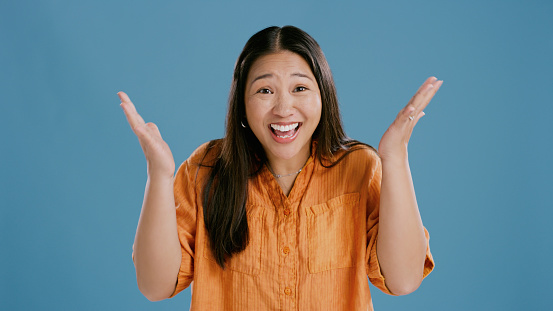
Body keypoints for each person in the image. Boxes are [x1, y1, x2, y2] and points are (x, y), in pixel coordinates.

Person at [119, 25, 441, 310]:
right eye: (264, 91)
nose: (284, 108)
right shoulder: (205, 169)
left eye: (300, 88)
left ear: (323, 97)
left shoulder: (360, 167)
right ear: (242, 105)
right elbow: (155, 286)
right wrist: (159, 175)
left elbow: (403, 280)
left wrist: (395, 157)